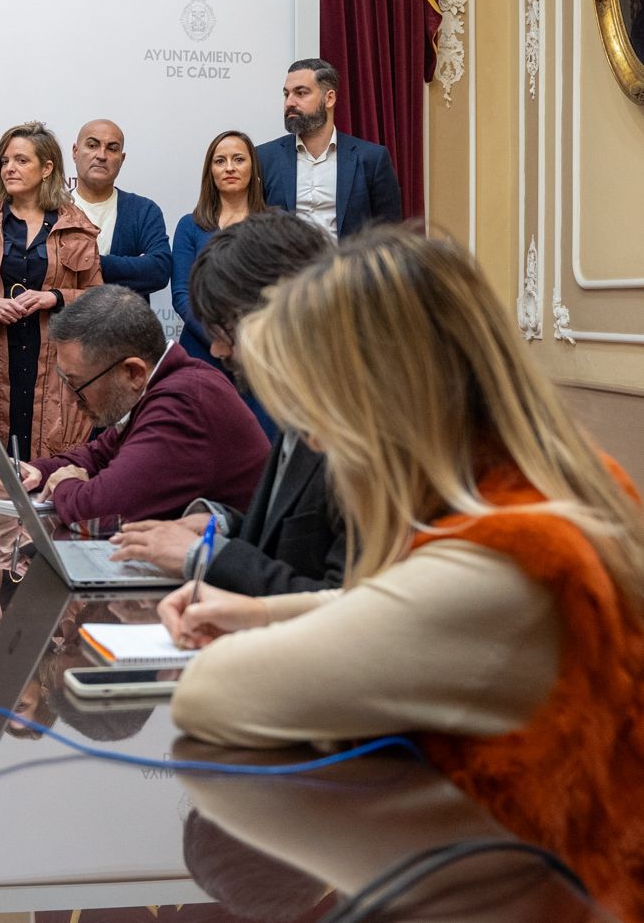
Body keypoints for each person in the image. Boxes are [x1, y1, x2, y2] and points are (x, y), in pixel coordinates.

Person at [165, 227, 644, 922]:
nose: (317, 442)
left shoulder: (495, 567)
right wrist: (268, 614)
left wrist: (269, 628)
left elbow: (209, 697)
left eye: (316, 412)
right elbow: (404, 613)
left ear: (377, 403)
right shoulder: (563, 496)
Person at [111, 214, 344, 597]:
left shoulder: (359, 426)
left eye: (223, 329)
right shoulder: (300, 406)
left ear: (279, 312)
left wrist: (204, 555)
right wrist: (218, 524)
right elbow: (284, 533)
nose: (217, 349)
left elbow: (341, 602)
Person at [3, 285, 269, 524]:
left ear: (133, 372)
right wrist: (36, 471)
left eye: (76, 383)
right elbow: (98, 454)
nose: (72, 397)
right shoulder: (162, 386)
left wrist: (64, 483)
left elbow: (102, 512)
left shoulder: (183, 405)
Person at [0, 121, 102, 483]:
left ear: (47, 167)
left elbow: (99, 300)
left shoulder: (76, 225)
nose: (10, 168)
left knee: (46, 484)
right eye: (5, 161)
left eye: (21, 160)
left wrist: (54, 297)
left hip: (54, 373)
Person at [170, 129, 273, 436]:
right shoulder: (190, 226)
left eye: (238, 159)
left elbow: (282, 292)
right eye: (220, 161)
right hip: (202, 354)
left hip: (258, 356)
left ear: (252, 167)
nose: (229, 167)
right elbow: (181, 295)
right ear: (210, 172)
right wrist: (223, 338)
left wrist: (248, 342)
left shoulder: (274, 225)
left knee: (259, 443)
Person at [255, 58, 403, 239]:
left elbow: (390, 234)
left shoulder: (371, 159)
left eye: (300, 93)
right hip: (288, 266)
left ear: (329, 98)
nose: (289, 103)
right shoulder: (264, 158)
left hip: (347, 265)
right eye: (287, 94)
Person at [67, 119, 171, 298]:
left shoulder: (143, 211)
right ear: (75, 152)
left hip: (126, 324)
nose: (101, 155)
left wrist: (89, 262)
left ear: (122, 159)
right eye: (92, 145)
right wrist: (130, 267)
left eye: (112, 148)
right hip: (65, 323)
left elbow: (159, 269)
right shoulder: (52, 209)